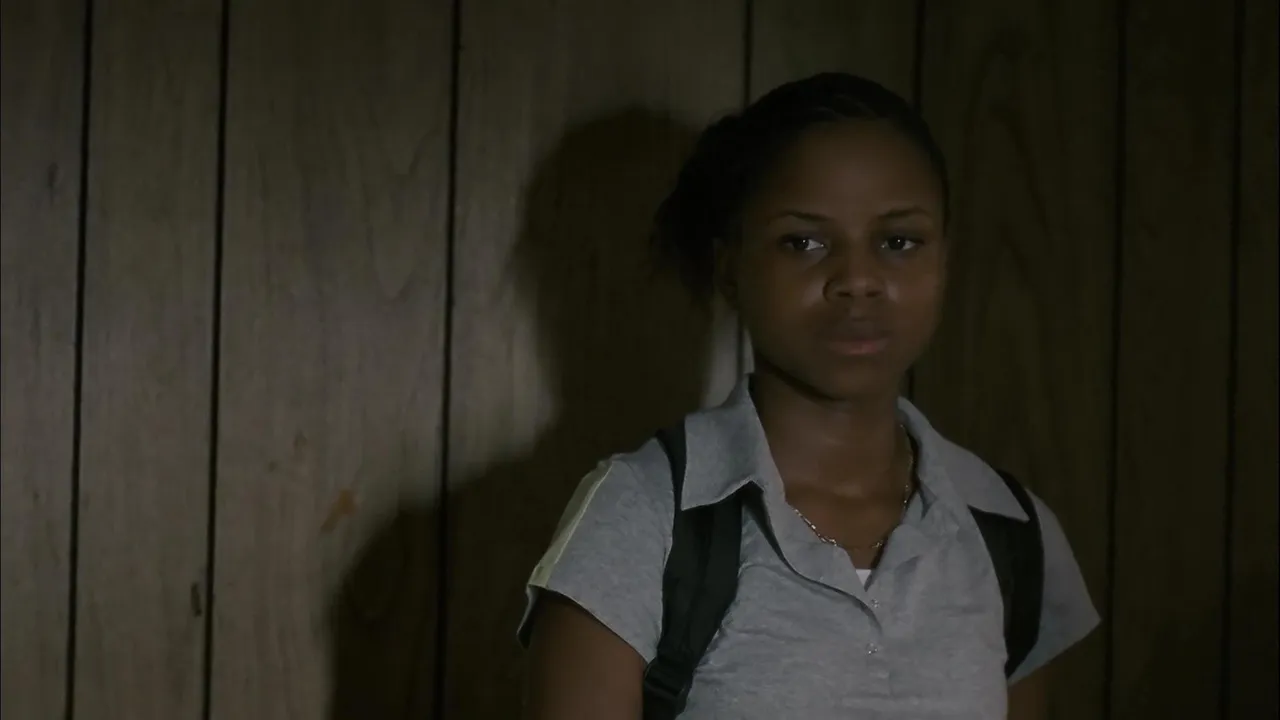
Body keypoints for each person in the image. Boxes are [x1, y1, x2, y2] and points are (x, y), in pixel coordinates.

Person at [516, 72, 1099, 719]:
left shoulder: (1011, 531)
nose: (857, 279)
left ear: (944, 260)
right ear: (731, 267)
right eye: (803, 242)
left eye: (898, 242)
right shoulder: (643, 514)